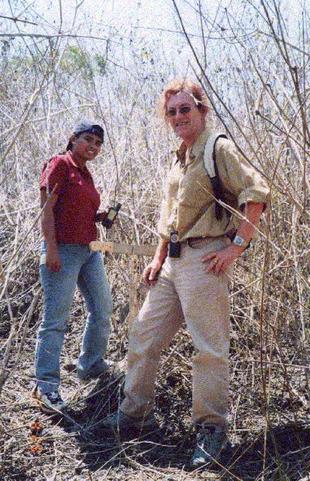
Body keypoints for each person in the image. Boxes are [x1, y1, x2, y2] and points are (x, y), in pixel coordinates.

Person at [96, 78, 269, 469]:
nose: (178, 116)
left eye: (185, 109)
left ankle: (211, 431)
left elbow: (257, 192)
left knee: (208, 348)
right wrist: (158, 257)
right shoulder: (180, 156)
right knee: (143, 335)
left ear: (201, 110)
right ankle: (133, 416)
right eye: (171, 111)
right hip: (172, 262)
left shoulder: (216, 147)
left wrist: (235, 248)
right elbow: (169, 216)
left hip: (205, 259)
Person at [34, 121, 114, 413]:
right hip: (62, 251)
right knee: (55, 320)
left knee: (103, 308)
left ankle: (91, 365)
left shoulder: (86, 174)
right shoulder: (59, 165)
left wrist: (100, 216)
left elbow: (78, 210)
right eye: (87, 140)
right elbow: (47, 209)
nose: (92, 147)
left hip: (89, 251)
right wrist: (51, 249)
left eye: (97, 143)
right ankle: (46, 387)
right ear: (73, 139)